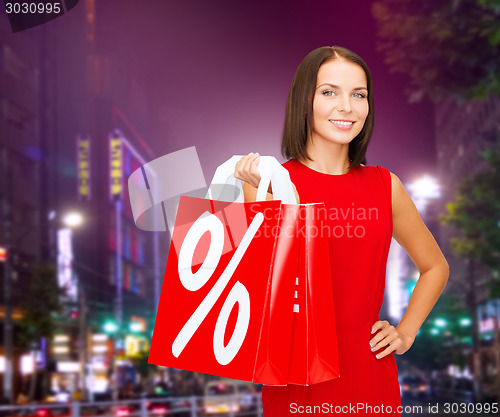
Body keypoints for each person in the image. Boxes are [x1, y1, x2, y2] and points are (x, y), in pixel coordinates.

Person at [234, 45, 449, 416]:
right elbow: (254, 291)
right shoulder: (269, 184)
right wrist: (250, 198)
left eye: (359, 94)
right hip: (296, 379)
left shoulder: (386, 186)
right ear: (304, 100)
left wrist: (406, 331)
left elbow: (435, 267)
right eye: (329, 92)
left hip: (370, 376)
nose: (347, 106)